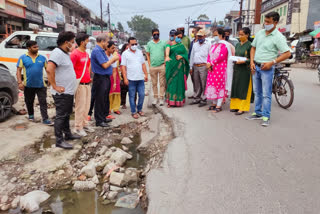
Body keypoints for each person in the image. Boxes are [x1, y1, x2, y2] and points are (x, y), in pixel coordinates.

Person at [246, 12, 291, 127]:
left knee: (266, 94)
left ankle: (266, 116)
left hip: (267, 68)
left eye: (268, 22)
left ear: (275, 22)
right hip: (255, 66)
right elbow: (253, 48)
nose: (265, 24)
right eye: (265, 21)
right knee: (257, 92)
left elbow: (287, 54)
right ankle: (257, 113)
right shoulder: (260, 33)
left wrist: (273, 62)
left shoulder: (278, 37)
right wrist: (251, 62)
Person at [46, 31, 80, 150]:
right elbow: (49, 69)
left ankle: (68, 134)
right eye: (72, 42)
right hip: (62, 92)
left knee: (66, 114)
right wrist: (55, 86)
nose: (74, 44)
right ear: (66, 42)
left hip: (68, 91)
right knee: (61, 116)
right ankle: (59, 140)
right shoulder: (57, 53)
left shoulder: (64, 53)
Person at [16, 40, 53, 125]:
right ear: (29, 48)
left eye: (37, 46)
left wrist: (50, 80)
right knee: (29, 101)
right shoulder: (23, 58)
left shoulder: (42, 58)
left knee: (43, 102)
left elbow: (48, 70)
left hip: (41, 85)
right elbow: (18, 70)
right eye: (34, 47)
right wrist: (19, 82)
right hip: (28, 85)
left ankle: (45, 119)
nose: (37, 48)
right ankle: (31, 115)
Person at [90, 34, 119, 127]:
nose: (107, 44)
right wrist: (113, 59)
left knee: (104, 98)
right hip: (100, 77)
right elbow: (105, 65)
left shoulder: (101, 51)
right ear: (102, 41)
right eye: (106, 42)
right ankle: (99, 120)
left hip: (105, 77)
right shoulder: (97, 51)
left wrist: (112, 60)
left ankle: (103, 117)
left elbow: (107, 63)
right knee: (99, 99)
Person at [70, 33, 94, 137]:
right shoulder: (75, 54)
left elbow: (88, 66)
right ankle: (78, 127)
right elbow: (70, 69)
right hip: (79, 84)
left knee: (86, 105)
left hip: (87, 83)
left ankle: (85, 124)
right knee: (80, 106)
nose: (88, 43)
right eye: (87, 41)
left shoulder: (86, 54)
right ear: (82, 42)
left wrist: (89, 77)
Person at [121, 37, 148, 119]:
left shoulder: (139, 52)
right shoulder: (125, 54)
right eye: (132, 44)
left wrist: (146, 74)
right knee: (132, 96)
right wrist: (125, 78)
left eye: (135, 44)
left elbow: (143, 64)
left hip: (140, 78)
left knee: (142, 94)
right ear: (128, 44)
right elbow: (123, 67)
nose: (134, 45)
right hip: (131, 79)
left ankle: (139, 109)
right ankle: (133, 111)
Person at [205, 28, 230, 113]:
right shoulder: (213, 45)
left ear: (221, 35)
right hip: (212, 69)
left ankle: (219, 105)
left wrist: (211, 63)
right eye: (214, 35)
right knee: (212, 86)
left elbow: (221, 57)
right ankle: (213, 103)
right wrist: (208, 63)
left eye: (216, 35)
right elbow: (209, 55)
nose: (215, 37)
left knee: (219, 86)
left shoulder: (225, 45)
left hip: (220, 69)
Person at [230, 28, 253, 115]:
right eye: (239, 34)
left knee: (243, 89)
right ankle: (235, 106)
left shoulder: (250, 45)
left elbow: (252, 59)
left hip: (245, 70)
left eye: (242, 35)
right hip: (237, 68)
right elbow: (236, 55)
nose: (240, 36)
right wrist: (234, 59)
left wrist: (244, 61)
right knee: (236, 87)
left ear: (247, 35)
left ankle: (242, 108)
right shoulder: (237, 45)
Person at [164, 31, 189, 107]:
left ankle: (179, 101)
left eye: (181, 38)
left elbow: (185, 54)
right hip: (171, 66)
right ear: (174, 36)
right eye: (178, 37)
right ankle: (170, 101)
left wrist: (181, 56)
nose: (179, 39)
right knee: (171, 83)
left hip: (180, 68)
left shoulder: (181, 45)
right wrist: (167, 56)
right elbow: (167, 49)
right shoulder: (170, 44)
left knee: (179, 83)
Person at [189, 29, 211, 107]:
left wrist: (209, 65)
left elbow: (210, 55)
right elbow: (192, 56)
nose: (199, 38)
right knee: (196, 82)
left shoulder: (208, 44)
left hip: (203, 66)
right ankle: (196, 97)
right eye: (198, 36)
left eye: (201, 36)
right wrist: (191, 67)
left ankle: (204, 98)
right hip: (195, 66)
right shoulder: (195, 44)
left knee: (203, 82)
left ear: (204, 36)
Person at [146, 28, 167, 106]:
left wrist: (165, 62)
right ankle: (155, 98)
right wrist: (149, 64)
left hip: (161, 65)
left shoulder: (163, 43)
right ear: (152, 35)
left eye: (157, 34)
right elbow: (147, 54)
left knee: (162, 83)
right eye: (154, 34)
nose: (156, 35)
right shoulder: (149, 44)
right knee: (154, 83)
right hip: (153, 66)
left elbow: (166, 53)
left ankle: (161, 98)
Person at [106, 41, 121, 118]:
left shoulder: (115, 56)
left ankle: (116, 108)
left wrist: (115, 82)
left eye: (115, 48)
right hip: (106, 77)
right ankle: (108, 109)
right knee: (108, 93)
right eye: (113, 48)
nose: (114, 49)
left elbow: (114, 70)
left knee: (116, 92)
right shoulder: (104, 56)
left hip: (115, 76)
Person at [188, 26, 201, 99]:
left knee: (200, 80)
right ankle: (195, 93)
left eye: (194, 31)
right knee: (194, 79)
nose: (192, 33)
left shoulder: (200, 42)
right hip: (192, 63)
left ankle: (199, 95)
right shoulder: (192, 42)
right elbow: (190, 53)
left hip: (200, 63)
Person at [119, 43, 129, 109]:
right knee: (123, 90)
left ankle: (133, 102)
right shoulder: (121, 56)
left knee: (133, 90)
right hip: (123, 73)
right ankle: (123, 103)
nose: (127, 50)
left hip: (132, 74)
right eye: (126, 48)